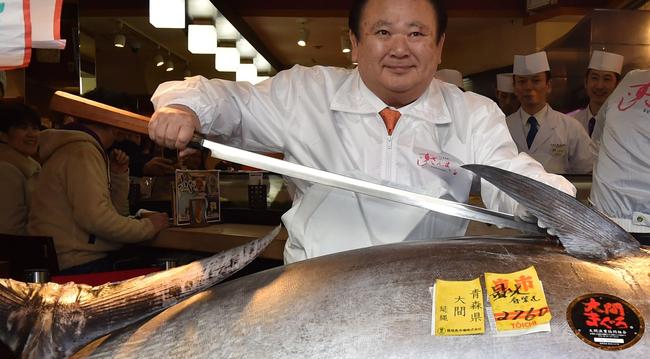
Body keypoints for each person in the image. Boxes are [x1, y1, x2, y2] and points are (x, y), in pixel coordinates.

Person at [149, 0, 575, 264]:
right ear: (355, 42)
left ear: (439, 45)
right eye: (383, 32)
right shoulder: (307, 91)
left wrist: (558, 206)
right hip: (313, 289)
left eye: (417, 33)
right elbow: (228, 103)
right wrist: (184, 106)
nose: (400, 48)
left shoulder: (472, 112)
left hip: (422, 293)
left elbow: (510, 175)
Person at [28, 89, 169, 273]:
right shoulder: (82, 150)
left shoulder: (81, 147)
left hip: (65, 259)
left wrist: (118, 175)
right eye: (124, 117)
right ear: (111, 118)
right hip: (77, 264)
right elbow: (96, 220)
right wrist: (150, 226)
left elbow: (115, 213)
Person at [506, 51, 596, 175]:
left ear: (548, 85)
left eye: (536, 81)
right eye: (522, 82)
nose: (528, 87)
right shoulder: (503, 126)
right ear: (514, 87)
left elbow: (588, 170)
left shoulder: (570, 127)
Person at [590, 69, 650, 245]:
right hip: (632, 223)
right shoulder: (632, 78)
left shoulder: (632, 77)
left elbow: (597, 141)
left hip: (601, 217)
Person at [0, 102, 41, 235]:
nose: (32, 134)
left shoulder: (28, 166)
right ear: (3, 135)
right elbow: (9, 229)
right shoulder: (6, 171)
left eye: (35, 128)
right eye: (23, 128)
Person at [571, 51, 624, 138]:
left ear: (617, 85)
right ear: (585, 82)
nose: (599, 86)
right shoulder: (572, 121)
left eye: (607, 79)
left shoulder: (624, 124)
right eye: (594, 78)